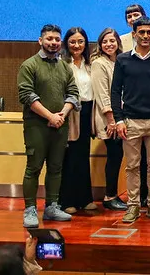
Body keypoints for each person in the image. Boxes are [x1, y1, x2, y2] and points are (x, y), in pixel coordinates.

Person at [17, 24, 79, 228]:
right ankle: (30, 208)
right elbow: (26, 95)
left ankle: (52, 207)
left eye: (56, 39)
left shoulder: (64, 67)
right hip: (37, 126)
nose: (53, 42)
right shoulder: (29, 65)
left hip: (60, 125)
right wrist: (50, 116)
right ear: (40, 41)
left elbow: (73, 93)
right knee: (33, 168)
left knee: (55, 168)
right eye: (49, 39)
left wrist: (63, 113)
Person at [111, 16, 150, 223]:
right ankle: (133, 206)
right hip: (131, 122)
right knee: (132, 166)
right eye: (142, 32)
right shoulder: (122, 60)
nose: (145, 36)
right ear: (134, 34)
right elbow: (115, 92)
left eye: (149, 32)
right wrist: (119, 120)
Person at [58, 27, 96, 214]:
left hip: (88, 112)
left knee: (83, 156)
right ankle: (66, 201)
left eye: (80, 41)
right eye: (73, 42)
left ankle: (84, 199)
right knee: (69, 158)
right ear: (66, 43)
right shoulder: (61, 64)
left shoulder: (90, 64)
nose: (77, 45)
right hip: (70, 113)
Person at [90, 28, 128, 211]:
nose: (109, 44)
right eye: (105, 41)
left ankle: (113, 194)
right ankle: (109, 196)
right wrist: (111, 119)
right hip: (109, 120)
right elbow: (102, 94)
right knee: (114, 156)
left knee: (118, 155)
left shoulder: (119, 61)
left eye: (112, 41)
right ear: (100, 44)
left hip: (120, 117)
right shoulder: (99, 63)